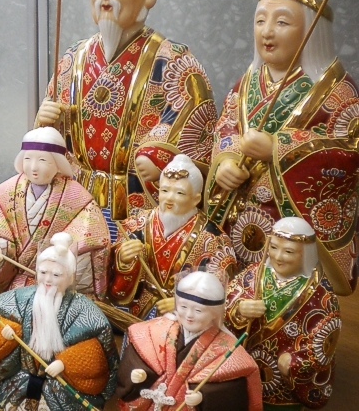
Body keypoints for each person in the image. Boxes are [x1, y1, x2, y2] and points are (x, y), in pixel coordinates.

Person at [36, 0, 217, 226]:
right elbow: (49, 134)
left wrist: (157, 155)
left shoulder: (174, 62)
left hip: (139, 206)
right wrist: (43, 123)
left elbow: (195, 127)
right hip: (75, 199)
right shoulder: (72, 59)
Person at [204, 0, 359, 295]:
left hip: (288, 220)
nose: (267, 31)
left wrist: (279, 148)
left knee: (285, 290)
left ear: (312, 30)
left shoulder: (338, 91)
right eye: (260, 20)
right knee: (231, 287)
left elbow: (348, 151)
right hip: (238, 211)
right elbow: (226, 126)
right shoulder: (248, 81)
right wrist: (226, 161)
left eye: (282, 22)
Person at [0, 127, 111, 300]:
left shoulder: (76, 196)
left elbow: (92, 235)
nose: (33, 167)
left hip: (53, 286)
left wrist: (61, 255)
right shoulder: (10, 188)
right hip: (14, 286)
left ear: (58, 163)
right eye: (28, 159)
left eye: (42, 160)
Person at [0, 232, 119, 410]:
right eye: (43, 272)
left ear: (70, 278)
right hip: (21, 380)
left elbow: (95, 355)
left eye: (56, 275)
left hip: (61, 387)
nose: (47, 280)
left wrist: (65, 363)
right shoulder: (18, 299)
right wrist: (7, 335)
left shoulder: (85, 310)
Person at [225, 217, 340, 410]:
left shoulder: (320, 293)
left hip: (283, 385)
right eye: (274, 247)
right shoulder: (253, 274)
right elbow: (229, 299)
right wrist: (239, 309)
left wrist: (295, 362)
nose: (278, 256)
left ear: (306, 254)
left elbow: (326, 339)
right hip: (245, 367)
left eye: (288, 251)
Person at [110, 155, 236, 319]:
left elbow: (219, 291)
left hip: (186, 320)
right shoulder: (137, 224)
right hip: (139, 311)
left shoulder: (213, 239)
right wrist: (123, 261)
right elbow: (111, 274)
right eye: (164, 190)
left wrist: (183, 302)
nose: (169, 198)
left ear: (196, 199)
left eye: (179, 193)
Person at [116, 271, 262, 411]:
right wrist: (137, 375)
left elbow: (232, 394)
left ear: (214, 313)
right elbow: (134, 361)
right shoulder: (152, 331)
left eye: (198, 310)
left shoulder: (229, 350)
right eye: (183, 307)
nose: (189, 315)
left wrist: (203, 398)